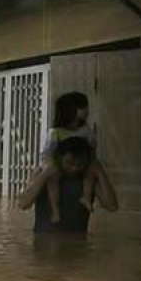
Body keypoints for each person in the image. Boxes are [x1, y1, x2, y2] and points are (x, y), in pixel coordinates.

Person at [18, 135, 118, 233]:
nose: (74, 168)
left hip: (77, 243)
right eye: (69, 163)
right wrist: (44, 175)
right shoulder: (42, 174)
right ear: (60, 158)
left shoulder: (88, 181)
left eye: (80, 164)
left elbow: (112, 206)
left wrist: (100, 172)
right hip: (44, 241)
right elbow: (23, 204)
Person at [42, 92, 100, 224]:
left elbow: (93, 146)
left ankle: (86, 197)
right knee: (52, 179)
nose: (87, 110)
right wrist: (51, 166)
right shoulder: (56, 132)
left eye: (86, 106)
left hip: (82, 162)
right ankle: (55, 211)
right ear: (70, 109)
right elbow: (47, 153)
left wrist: (92, 162)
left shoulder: (85, 129)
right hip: (59, 164)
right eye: (82, 107)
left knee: (90, 173)